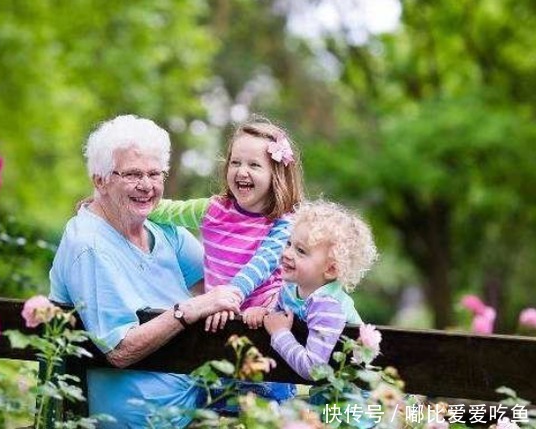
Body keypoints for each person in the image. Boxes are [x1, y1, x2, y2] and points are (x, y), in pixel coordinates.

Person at [49, 114, 243, 428]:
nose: (147, 185)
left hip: (199, 410)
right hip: (140, 420)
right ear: (100, 180)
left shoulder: (165, 231)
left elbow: (228, 288)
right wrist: (188, 310)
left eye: (155, 174)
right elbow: (120, 349)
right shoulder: (89, 246)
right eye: (133, 174)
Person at [148, 116, 305, 332]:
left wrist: (228, 297)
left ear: (276, 176)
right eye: (235, 162)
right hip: (219, 316)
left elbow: (260, 266)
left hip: (265, 321)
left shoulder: (283, 224)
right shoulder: (213, 210)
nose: (242, 171)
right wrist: (116, 201)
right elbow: (165, 211)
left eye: (254, 165)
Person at [261, 199, 378, 381]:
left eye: (300, 251)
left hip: (352, 397)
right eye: (289, 244)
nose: (287, 253)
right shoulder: (290, 290)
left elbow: (313, 369)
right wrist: (263, 312)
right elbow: (276, 318)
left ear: (331, 269)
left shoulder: (327, 306)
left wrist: (280, 334)